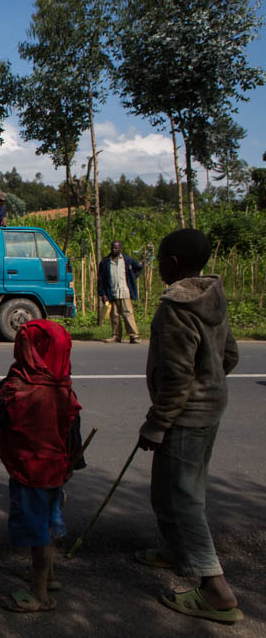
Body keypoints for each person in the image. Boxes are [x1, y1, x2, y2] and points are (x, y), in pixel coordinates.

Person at [135, 228, 243, 624]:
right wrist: (209, 382)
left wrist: (156, 424)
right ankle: (177, 552)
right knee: (169, 488)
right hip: (211, 407)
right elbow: (228, 354)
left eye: (160, 258)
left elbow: (178, 378)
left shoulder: (176, 308)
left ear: (173, 264)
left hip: (186, 415)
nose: (157, 265)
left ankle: (216, 591)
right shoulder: (212, 295)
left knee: (183, 498)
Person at [0, 320, 84, 614]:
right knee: (50, 523)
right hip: (55, 470)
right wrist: (69, 467)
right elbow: (72, 435)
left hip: (28, 470)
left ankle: (39, 594)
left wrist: (13, 374)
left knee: (37, 532)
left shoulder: (18, 387)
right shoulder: (65, 389)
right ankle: (49, 576)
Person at [98, 241, 144, 343]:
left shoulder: (127, 260)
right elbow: (101, 279)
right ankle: (116, 336)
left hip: (124, 292)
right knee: (114, 315)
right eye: (112, 248)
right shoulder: (105, 262)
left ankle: (134, 336)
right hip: (112, 292)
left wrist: (133, 277)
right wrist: (102, 293)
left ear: (120, 249)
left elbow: (139, 268)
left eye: (116, 248)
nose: (113, 250)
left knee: (128, 314)